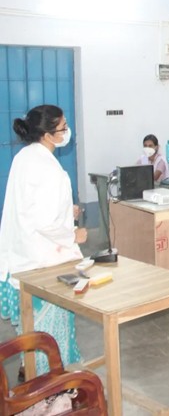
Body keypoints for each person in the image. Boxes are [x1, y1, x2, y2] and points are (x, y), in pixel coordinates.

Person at [0, 105, 86, 375]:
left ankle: (30, 374)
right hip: (43, 261)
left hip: (21, 257)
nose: (67, 131)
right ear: (48, 135)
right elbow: (46, 222)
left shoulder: (24, 157)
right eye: (63, 127)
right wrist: (73, 233)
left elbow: (29, 207)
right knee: (48, 335)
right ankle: (48, 389)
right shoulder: (49, 169)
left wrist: (65, 212)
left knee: (30, 332)